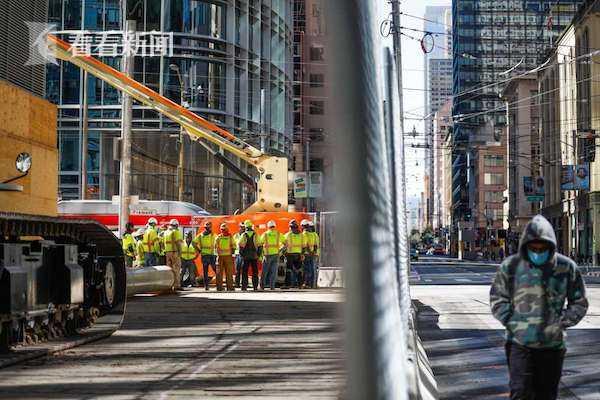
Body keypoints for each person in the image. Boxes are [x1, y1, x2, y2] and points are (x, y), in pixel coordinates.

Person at [490, 215, 589, 400]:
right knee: (520, 393)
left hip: (552, 345)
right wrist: (513, 322)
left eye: (542, 248)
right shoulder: (511, 266)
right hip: (519, 344)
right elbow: (497, 298)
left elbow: (579, 302)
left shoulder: (566, 267)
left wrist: (560, 323)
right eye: (533, 247)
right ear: (526, 245)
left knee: (547, 395)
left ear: (550, 246)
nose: (537, 251)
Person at [193, 221, 216, 290]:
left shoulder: (200, 235)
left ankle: (206, 286)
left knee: (206, 271)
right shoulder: (212, 235)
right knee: (215, 270)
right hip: (211, 255)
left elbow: (193, 243)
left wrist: (199, 250)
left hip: (205, 255)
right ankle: (217, 285)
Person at [283, 220, 306, 289]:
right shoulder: (302, 235)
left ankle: (287, 285)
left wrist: (284, 253)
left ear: (291, 227)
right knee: (299, 270)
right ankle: (300, 285)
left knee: (288, 270)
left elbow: (283, 245)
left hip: (289, 255)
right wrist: (302, 254)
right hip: (298, 254)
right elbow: (304, 246)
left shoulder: (287, 235)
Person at [260, 220, 282, 290]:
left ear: (268, 226)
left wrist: (261, 254)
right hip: (276, 255)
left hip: (267, 255)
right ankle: (272, 287)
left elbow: (260, 244)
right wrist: (280, 251)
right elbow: (286, 243)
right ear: (274, 226)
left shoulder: (265, 234)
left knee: (265, 271)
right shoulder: (278, 234)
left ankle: (262, 286)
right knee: (274, 272)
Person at [238, 219, 259, 291]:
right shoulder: (256, 234)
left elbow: (240, 245)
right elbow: (259, 245)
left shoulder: (244, 235)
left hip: (246, 256)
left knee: (244, 272)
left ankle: (244, 287)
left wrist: (242, 254)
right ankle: (255, 287)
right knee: (255, 272)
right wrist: (258, 254)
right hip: (254, 256)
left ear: (246, 227)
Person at [214, 223, 235, 291]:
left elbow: (215, 247)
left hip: (220, 256)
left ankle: (220, 287)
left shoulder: (218, 237)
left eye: (224, 229)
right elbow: (234, 246)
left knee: (219, 273)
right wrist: (232, 253)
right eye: (223, 230)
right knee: (228, 272)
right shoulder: (230, 237)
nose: (223, 231)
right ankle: (230, 287)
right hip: (227, 256)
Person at [163, 219, 183, 291]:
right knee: (176, 269)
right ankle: (176, 285)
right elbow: (178, 243)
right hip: (175, 252)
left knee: (169, 270)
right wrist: (180, 252)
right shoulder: (176, 232)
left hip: (167, 253)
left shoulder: (166, 232)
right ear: (176, 225)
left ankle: (169, 285)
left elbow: (163, 243)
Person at [305, 220, 320, 288]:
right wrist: (313, 252)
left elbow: (311, 245)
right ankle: (312, 284)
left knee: (310, 269)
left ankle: (311, 284)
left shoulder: (308, 234)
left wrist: (312, 252)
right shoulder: (314, 234)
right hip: (313, 254)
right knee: (312, 269)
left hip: (311, 254)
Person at [233, 222, 245, 288]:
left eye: (243, 227)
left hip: (244, 254)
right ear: (239, 227)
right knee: (237, 270)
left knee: (244, 270)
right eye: (241, 227)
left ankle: (243, 284)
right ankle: (237, 284)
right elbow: (233, 245)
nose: (242, 229)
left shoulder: (246, 235)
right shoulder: (236, 236)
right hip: (237, 254)